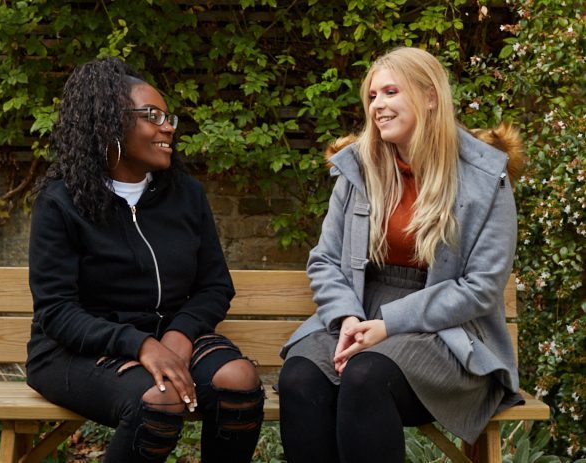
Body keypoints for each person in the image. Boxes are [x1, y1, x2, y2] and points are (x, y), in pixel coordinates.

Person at [277, 47, 524, 463]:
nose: (378, 106)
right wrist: (347, 318)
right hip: (359, 312)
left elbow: (481, 289)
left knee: (367, 375)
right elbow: (324, 260)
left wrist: (389, 324)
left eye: (391, 92)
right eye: (372, 96)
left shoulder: (484, 178)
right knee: (301, 377)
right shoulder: (359, 168)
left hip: (446, 330)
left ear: (430, 96)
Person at [26, 57, 264, 463]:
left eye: (168, 116)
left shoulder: (186, 195)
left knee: (238, 380)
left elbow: (215, 285)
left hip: (169, 338)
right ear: (110, 125)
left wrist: (178, 334)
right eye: (152, 116)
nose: (168, 126)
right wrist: (139, 345)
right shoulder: (62, 204)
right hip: (73, 351)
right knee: (161, 399)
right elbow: (58, 311)